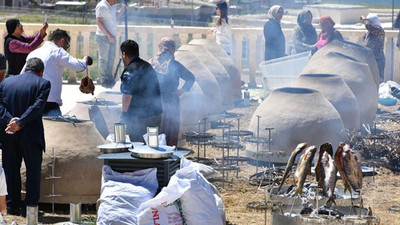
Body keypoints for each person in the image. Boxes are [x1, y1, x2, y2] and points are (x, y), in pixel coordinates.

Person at [0, 58, 50, 217]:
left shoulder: (6, 83)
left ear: (25, 68)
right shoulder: (43, 83)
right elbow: (37, 106)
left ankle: (12, 205)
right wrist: (20, 122)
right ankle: (30, 209)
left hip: (9, 134)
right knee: (33, 172)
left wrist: (11, 121)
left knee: (11, 170)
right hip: (31, 135)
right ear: (41, 72)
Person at [23, 29, 90, 116]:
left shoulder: (33, 53)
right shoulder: (57, 51)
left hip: (30, 100)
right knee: (56, 127)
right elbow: (78, 66)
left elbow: (22, 75)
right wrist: (85, 60)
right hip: (49, 102)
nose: (66, 48)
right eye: (67, 45)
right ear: (62, 41)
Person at [149, 37, 195, 147]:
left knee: (155, 132)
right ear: (173, 50)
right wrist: (181, 91)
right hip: (170, 103)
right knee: (168, 131)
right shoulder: (174, 65)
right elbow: (191, 78)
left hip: (153, 104)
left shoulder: (150, 63)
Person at [120, 40, 162, 142]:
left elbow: (126, 96)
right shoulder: (147, 66)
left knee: (138, 147)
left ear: (124, 54)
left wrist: (124, 115)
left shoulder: (129, 71)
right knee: (152, 145)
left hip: (139, 118)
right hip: (156, 115)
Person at [96, 0, 127, 88]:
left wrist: (122, 9)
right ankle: (104, 79)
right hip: (103, 36)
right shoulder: (102, 6)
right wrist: (108, 35)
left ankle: (109, 78)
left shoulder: (113, 5)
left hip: (112, 36)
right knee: (104, 58)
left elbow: (115, 16)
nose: (117, 1)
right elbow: (99, 22)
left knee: (111, 57)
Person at [361, 14, 386, 83]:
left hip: (378, 60)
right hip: (369, 59)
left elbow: (369, 26)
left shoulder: (379, 31)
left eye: (370, 21)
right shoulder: (368, 33)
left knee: (378, 80)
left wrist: (364, 20)